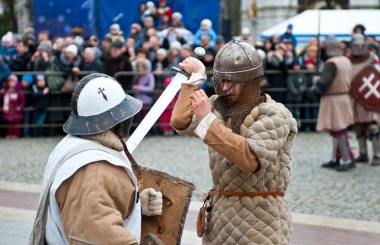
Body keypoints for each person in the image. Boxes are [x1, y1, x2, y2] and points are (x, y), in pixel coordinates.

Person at [171, 40, 297, 244]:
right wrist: (195, 79)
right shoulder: (217, 107)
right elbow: (180, 121)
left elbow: (250, 159)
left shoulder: (274, 114)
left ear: (249, 80)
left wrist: (208, 121)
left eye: (232, 81)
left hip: (261, 220)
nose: (225, 87)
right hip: (220, 217)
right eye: (222, 81)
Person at [30, 73, 163, 244]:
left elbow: (84, 207)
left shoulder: (72, 144)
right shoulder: (96, 168)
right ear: (115, 122)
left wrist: (135, 204)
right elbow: (96, 233)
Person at [314, 36, 355, 171]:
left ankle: (347, 159)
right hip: (344, 97)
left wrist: (315, 85)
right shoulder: (345, 60)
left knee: (338, 130)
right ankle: (336, 158)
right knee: (337, 129)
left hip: (333, 99)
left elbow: (323, 84)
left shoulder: (331, 63)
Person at [348, 33, 380, 165]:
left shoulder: (372, 58)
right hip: (354, 98)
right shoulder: (348, 59)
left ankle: (377, 156)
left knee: (373, 126)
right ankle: (363, 154)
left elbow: (377, 75)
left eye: (360, 44)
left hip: (369, 100)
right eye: (355, 44)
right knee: (358, 127)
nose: (358, 47)